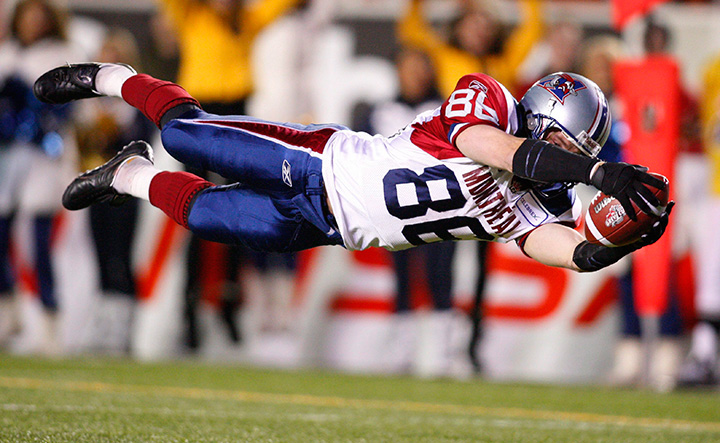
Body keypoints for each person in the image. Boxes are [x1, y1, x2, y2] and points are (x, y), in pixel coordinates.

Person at [34, 64, 672, 284]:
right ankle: (110, 78)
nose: (571, 157)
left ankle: (129, 177)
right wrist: (599, 172)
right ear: (543, 114)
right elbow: (492, 149)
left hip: (331, 225)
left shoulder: (541, 201)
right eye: (569, 140)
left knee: (202, 215)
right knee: (183, 134)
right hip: (318, 161)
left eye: (579, 149)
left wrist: (621, 241)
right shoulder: (491, 102)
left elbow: (569, 251)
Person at [0, 0, 83, 353]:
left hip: (45, 154)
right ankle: (7, 307)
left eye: (40, 14)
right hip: (8, 154)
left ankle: (51, 319)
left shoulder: (63, 53)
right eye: (27, 14)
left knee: (39, 243)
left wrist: (40, 125)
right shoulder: (6, 53)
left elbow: (72, 105)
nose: (33, 21)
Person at [72, 28, 155, 354]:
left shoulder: (136, 99)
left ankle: (124, 324)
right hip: (95, 184)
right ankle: (105, 320)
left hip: (125, 186)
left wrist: (114, 129)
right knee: (100, 253)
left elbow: (141, 138)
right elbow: (80, 139)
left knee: (121, 254)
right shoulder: (89, 103)